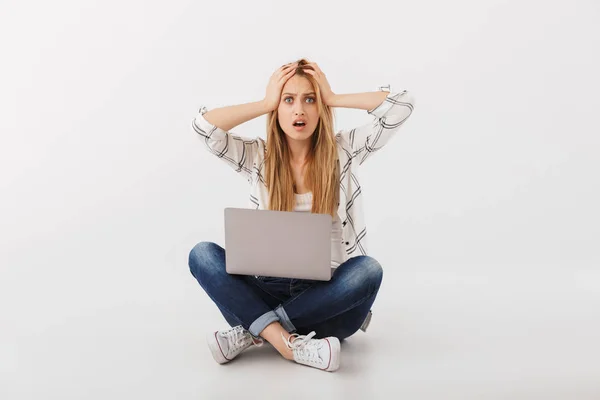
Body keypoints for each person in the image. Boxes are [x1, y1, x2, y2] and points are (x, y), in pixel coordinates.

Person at [188, 59, 416, 372]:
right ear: (277, 110)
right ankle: (289, 342)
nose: (300, 111)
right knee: (202, 254)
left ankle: (259, 332)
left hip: (329, 301)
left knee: (368, 271)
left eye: (310, 99)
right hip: (267, 289)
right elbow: (205, 128)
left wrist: (333, 97)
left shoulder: (344, 151)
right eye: (288, 100)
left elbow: (402, 105)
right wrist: (264, 102)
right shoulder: (259, 157)